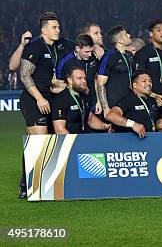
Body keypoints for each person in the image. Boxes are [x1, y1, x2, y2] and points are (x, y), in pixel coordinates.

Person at [17, 12, 63, 198]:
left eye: (58, 27)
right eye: (54, 27)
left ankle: (43, 185)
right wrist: (39, 98)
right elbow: (24, 74)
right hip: (33, 100)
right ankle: (26, 186)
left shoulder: (53, 48)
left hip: (48, 99)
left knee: (48, 142)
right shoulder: (35, 46)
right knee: (38, 143)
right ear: (44, 30)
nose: (58, 30)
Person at [106, 71, 162, 138]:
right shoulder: (128, 100)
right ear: (135, 85)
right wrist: (132, 124)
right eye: (144, 81)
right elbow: (111, 115)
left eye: (150, 81)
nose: (148, 84)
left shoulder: (152, 101)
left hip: (150, 140)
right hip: (131, 141)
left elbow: (156, 123)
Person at [52, 66, 111, 134]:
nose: (83, 81)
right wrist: (74, 142)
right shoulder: (61, 100)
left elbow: (90, 119)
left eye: (84, 78)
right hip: (70, 140)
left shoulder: (84, 97)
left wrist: (105, 126)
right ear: (70, 80)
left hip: (83, 137)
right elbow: (59, 130)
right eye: (79, 78)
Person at [135, 19, 162, 120]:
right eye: (159, 30)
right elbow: (137, 79)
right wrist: (154, 95)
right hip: (150, 99)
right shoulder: (143, 53)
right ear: (151, 34)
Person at [55, 34, 100, 119]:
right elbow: (58, 83)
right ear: (77, 49)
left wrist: (98, 102)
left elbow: (96, 80)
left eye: (91, 51)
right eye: (86, 52)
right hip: (75, 102)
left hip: (93, 103)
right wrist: (80, 88)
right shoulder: (65, 61)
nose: (90, 55)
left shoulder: (94, 58)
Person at [97, 26, 136, 117]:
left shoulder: (129, 56)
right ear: (120, 40)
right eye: (126, 34)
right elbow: (100, 83)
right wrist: (106, 108)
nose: (129, 35)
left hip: (129, 102)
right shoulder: (109, 56)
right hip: (114, 104)